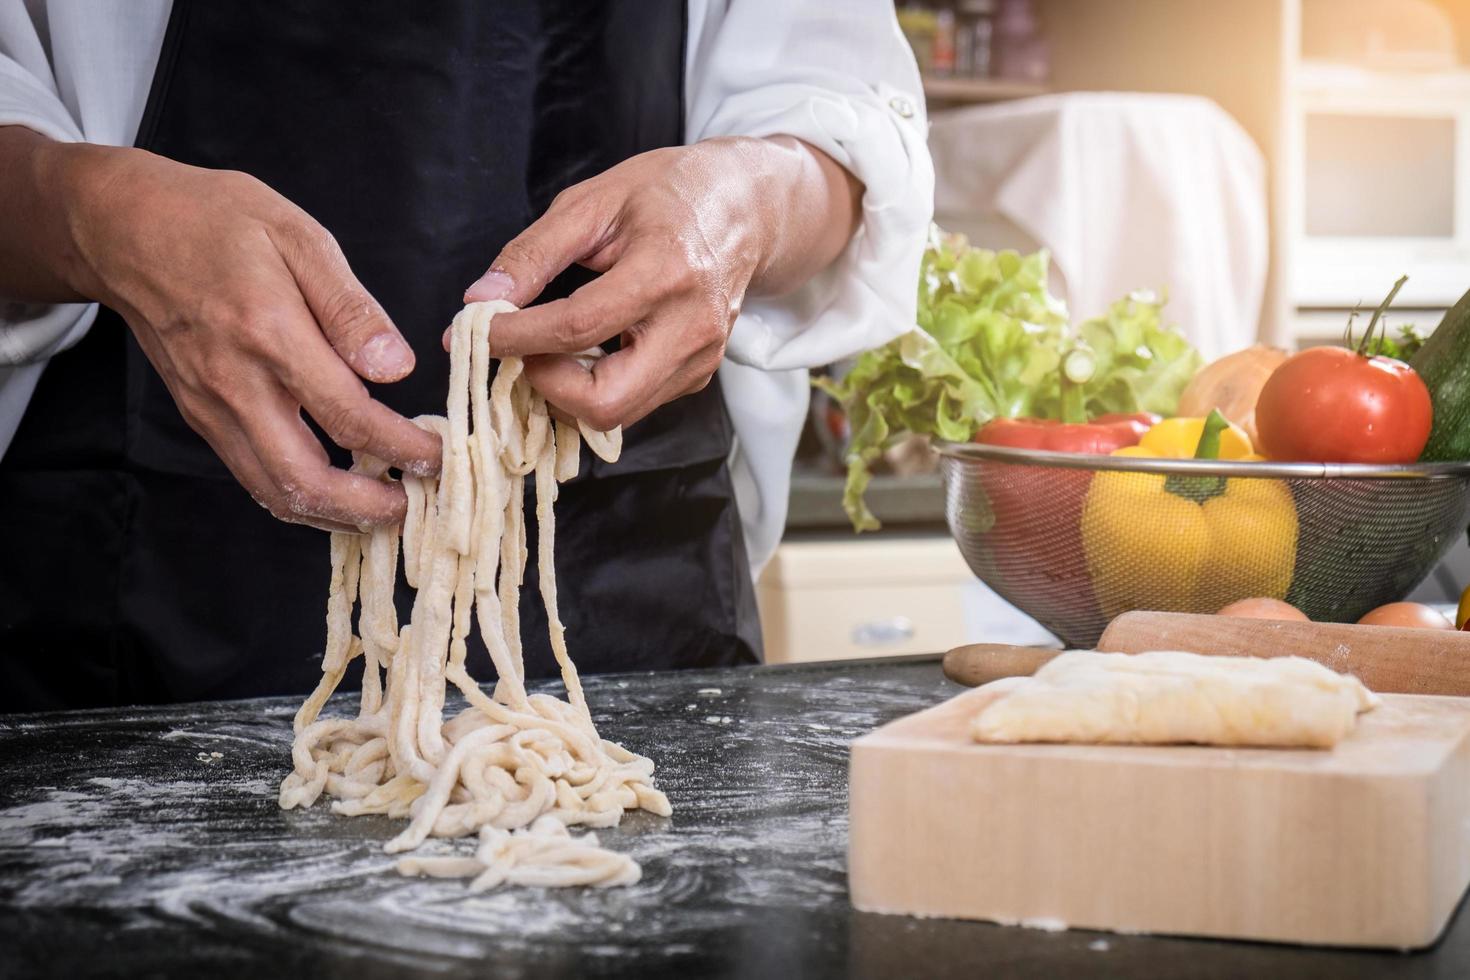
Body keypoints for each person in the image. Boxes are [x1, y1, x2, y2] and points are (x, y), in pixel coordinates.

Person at [0, 1, 933, 710]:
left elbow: (842, 128)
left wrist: (748, 205)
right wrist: (94, 218)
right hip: (138, 565)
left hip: (635, 566)